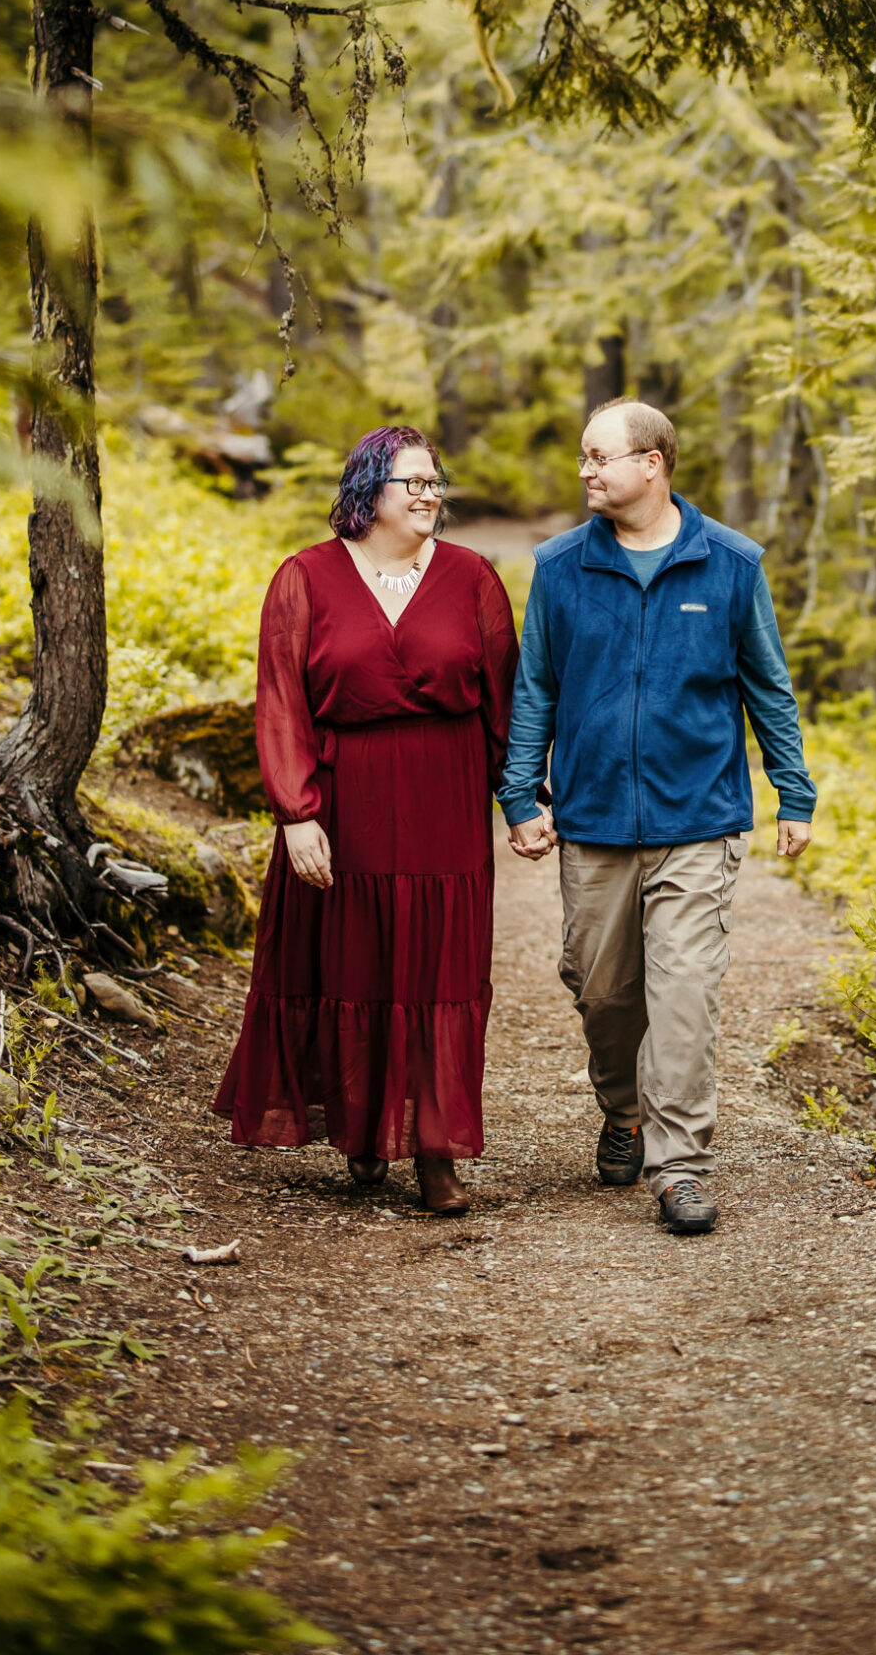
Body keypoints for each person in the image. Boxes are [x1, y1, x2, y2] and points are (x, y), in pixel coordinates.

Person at [497, 396, 815, 1235]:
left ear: (654, 463)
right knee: (603, 991)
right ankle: (622, 1110)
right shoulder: (562, 566)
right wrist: (518, 792)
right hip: (595, 818)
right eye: (582, 458)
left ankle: (679, 1165)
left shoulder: (731, 565)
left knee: (685, 993)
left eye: (600, 457)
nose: (587, 472)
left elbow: (767, 687)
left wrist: (794, 791)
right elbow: (537, 688)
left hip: (699, 818)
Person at [214, 425, 519, 1216]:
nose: (429, 494)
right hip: (344, 800)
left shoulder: (473, 578)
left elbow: (505, 706)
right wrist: (296, 813)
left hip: (445, 804)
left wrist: (521, 800)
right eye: (411, 482)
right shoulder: (304, 579)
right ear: (366, 493)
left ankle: (435, 1151)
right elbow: (280, 700)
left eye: (433, 481)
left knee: (439, 974)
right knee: (352, 966)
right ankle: (360, 1132)